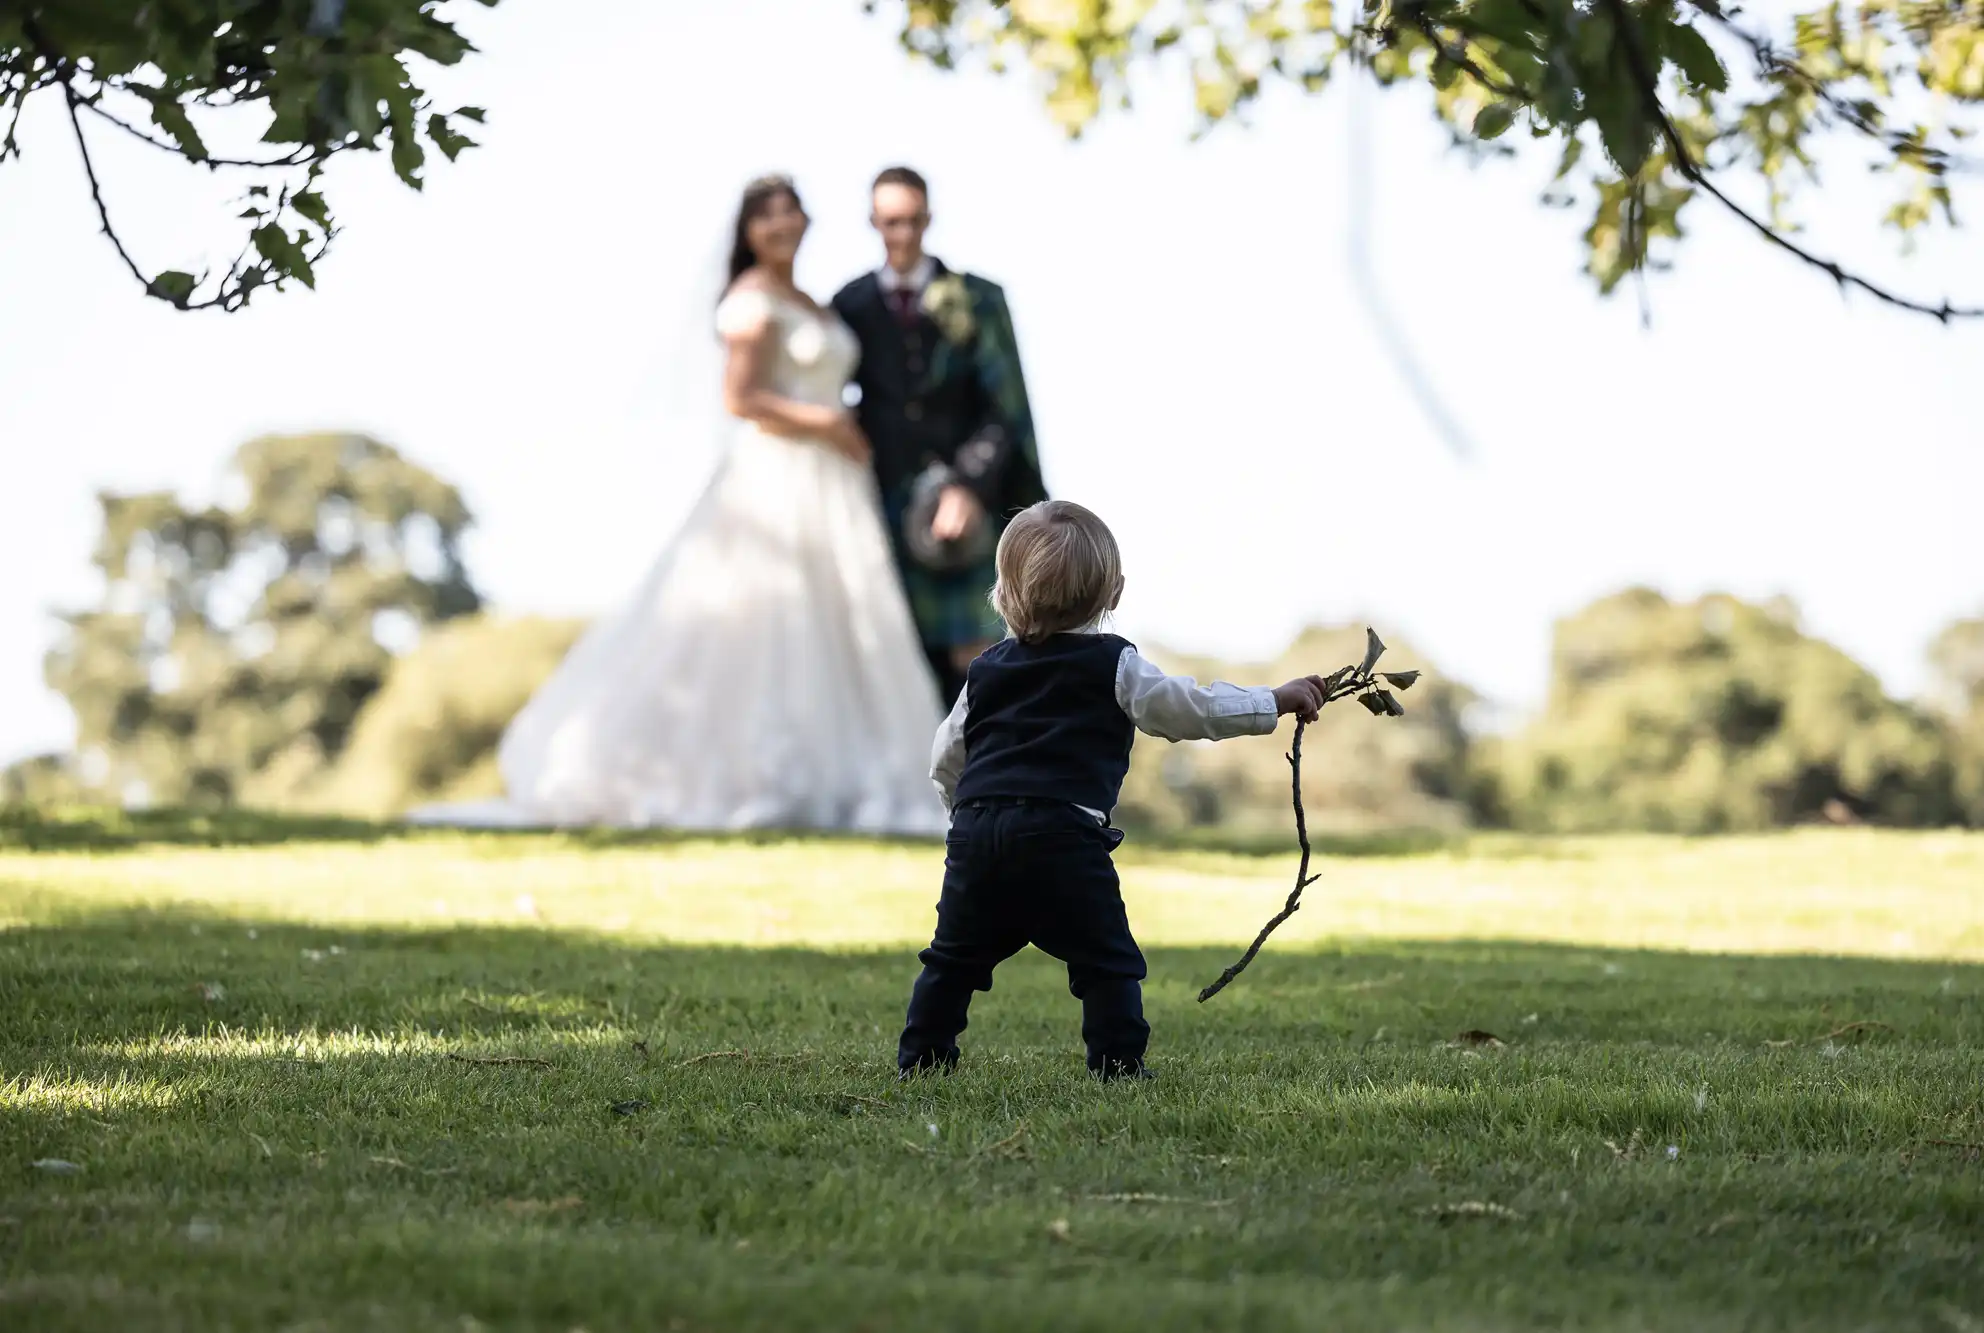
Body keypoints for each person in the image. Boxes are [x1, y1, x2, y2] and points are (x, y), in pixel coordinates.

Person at [414, 176, 944, 835]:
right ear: (748, 232)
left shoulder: (814, 300)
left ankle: (849, 777)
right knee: (768, 622)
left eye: (790, 210)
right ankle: (751, 775)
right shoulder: (751, 301)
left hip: (836, 485)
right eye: (766, 215)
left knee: (845, 623)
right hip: (780, 476)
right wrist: (826, 423)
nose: (781, 224)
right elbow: (742, 397)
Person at [897, 501, 1330, 1080]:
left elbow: (946, 756)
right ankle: (1118, 1064)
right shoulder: (1114, 663)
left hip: (979, 832)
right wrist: (1270, 700)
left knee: (952, 958)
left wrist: (967, 820)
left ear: (1002, 591)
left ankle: (922, 1061)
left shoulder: (985, 670)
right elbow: (1189, 710)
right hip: (1062, 836)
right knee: (1105, 960)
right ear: (1114, 593)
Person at [832, 166, 1048, 712]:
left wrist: (969, 487)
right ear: (872, 222)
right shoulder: (850, 304)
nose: (902, 233)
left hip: (970, 497)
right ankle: (922, 794)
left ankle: (979, 791)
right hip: (883, 502)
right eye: (889, 222)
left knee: (978, 663)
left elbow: (1007, 406)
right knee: (902, 657)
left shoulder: (977, 298)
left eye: (912, 220)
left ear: (929, 218)